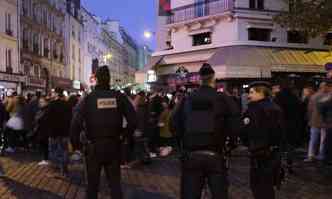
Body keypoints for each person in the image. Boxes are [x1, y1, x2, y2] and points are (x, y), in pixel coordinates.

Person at [172, 63, 240, 199]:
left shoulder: (187, 99)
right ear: (213, 78)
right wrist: (231, 144)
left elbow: (173, 123)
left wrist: (182, 142)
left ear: (199, 79)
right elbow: (235, 125)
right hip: (216, 154)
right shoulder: (223, 98)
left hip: (191, 154)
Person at [70, 66, 137, 199]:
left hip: (93, 147)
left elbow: (75, 123)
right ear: (109, 79)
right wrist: (124, 135)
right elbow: (134, 120)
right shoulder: (119, 97)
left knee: (92, 187)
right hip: (113, 146)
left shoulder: (88, 99)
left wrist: (76, 144)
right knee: (115, 185)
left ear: (97, 79)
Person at [240, 81, 285, 199]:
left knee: (258, 185)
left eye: (251, 92)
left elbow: (247, 130)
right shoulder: (275, 107)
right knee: (268, 185)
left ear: (261, 92)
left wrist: (247, 141)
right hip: (272, 152)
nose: (249, 96)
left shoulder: (254, 109)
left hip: (259, 152)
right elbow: (280, 132)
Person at [45, 87, 72, 176]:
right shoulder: (67, 104)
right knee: (64, 150)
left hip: (54, 132)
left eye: (53, 93)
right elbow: (70, 118)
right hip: (65, 131)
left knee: (54, 151)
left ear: (56, 93)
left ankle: (56, 169)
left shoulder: (52, 104)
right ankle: (64, 168)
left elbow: (47, 118)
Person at [305, 82, 328, 162]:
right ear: (325, 87)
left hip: (314, 121)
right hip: (325, 122)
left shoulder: (313, 96)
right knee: (323, 140)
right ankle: (321, 155)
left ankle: (311, 155)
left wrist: (309, 119)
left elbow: (309, 110)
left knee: (313, 139)